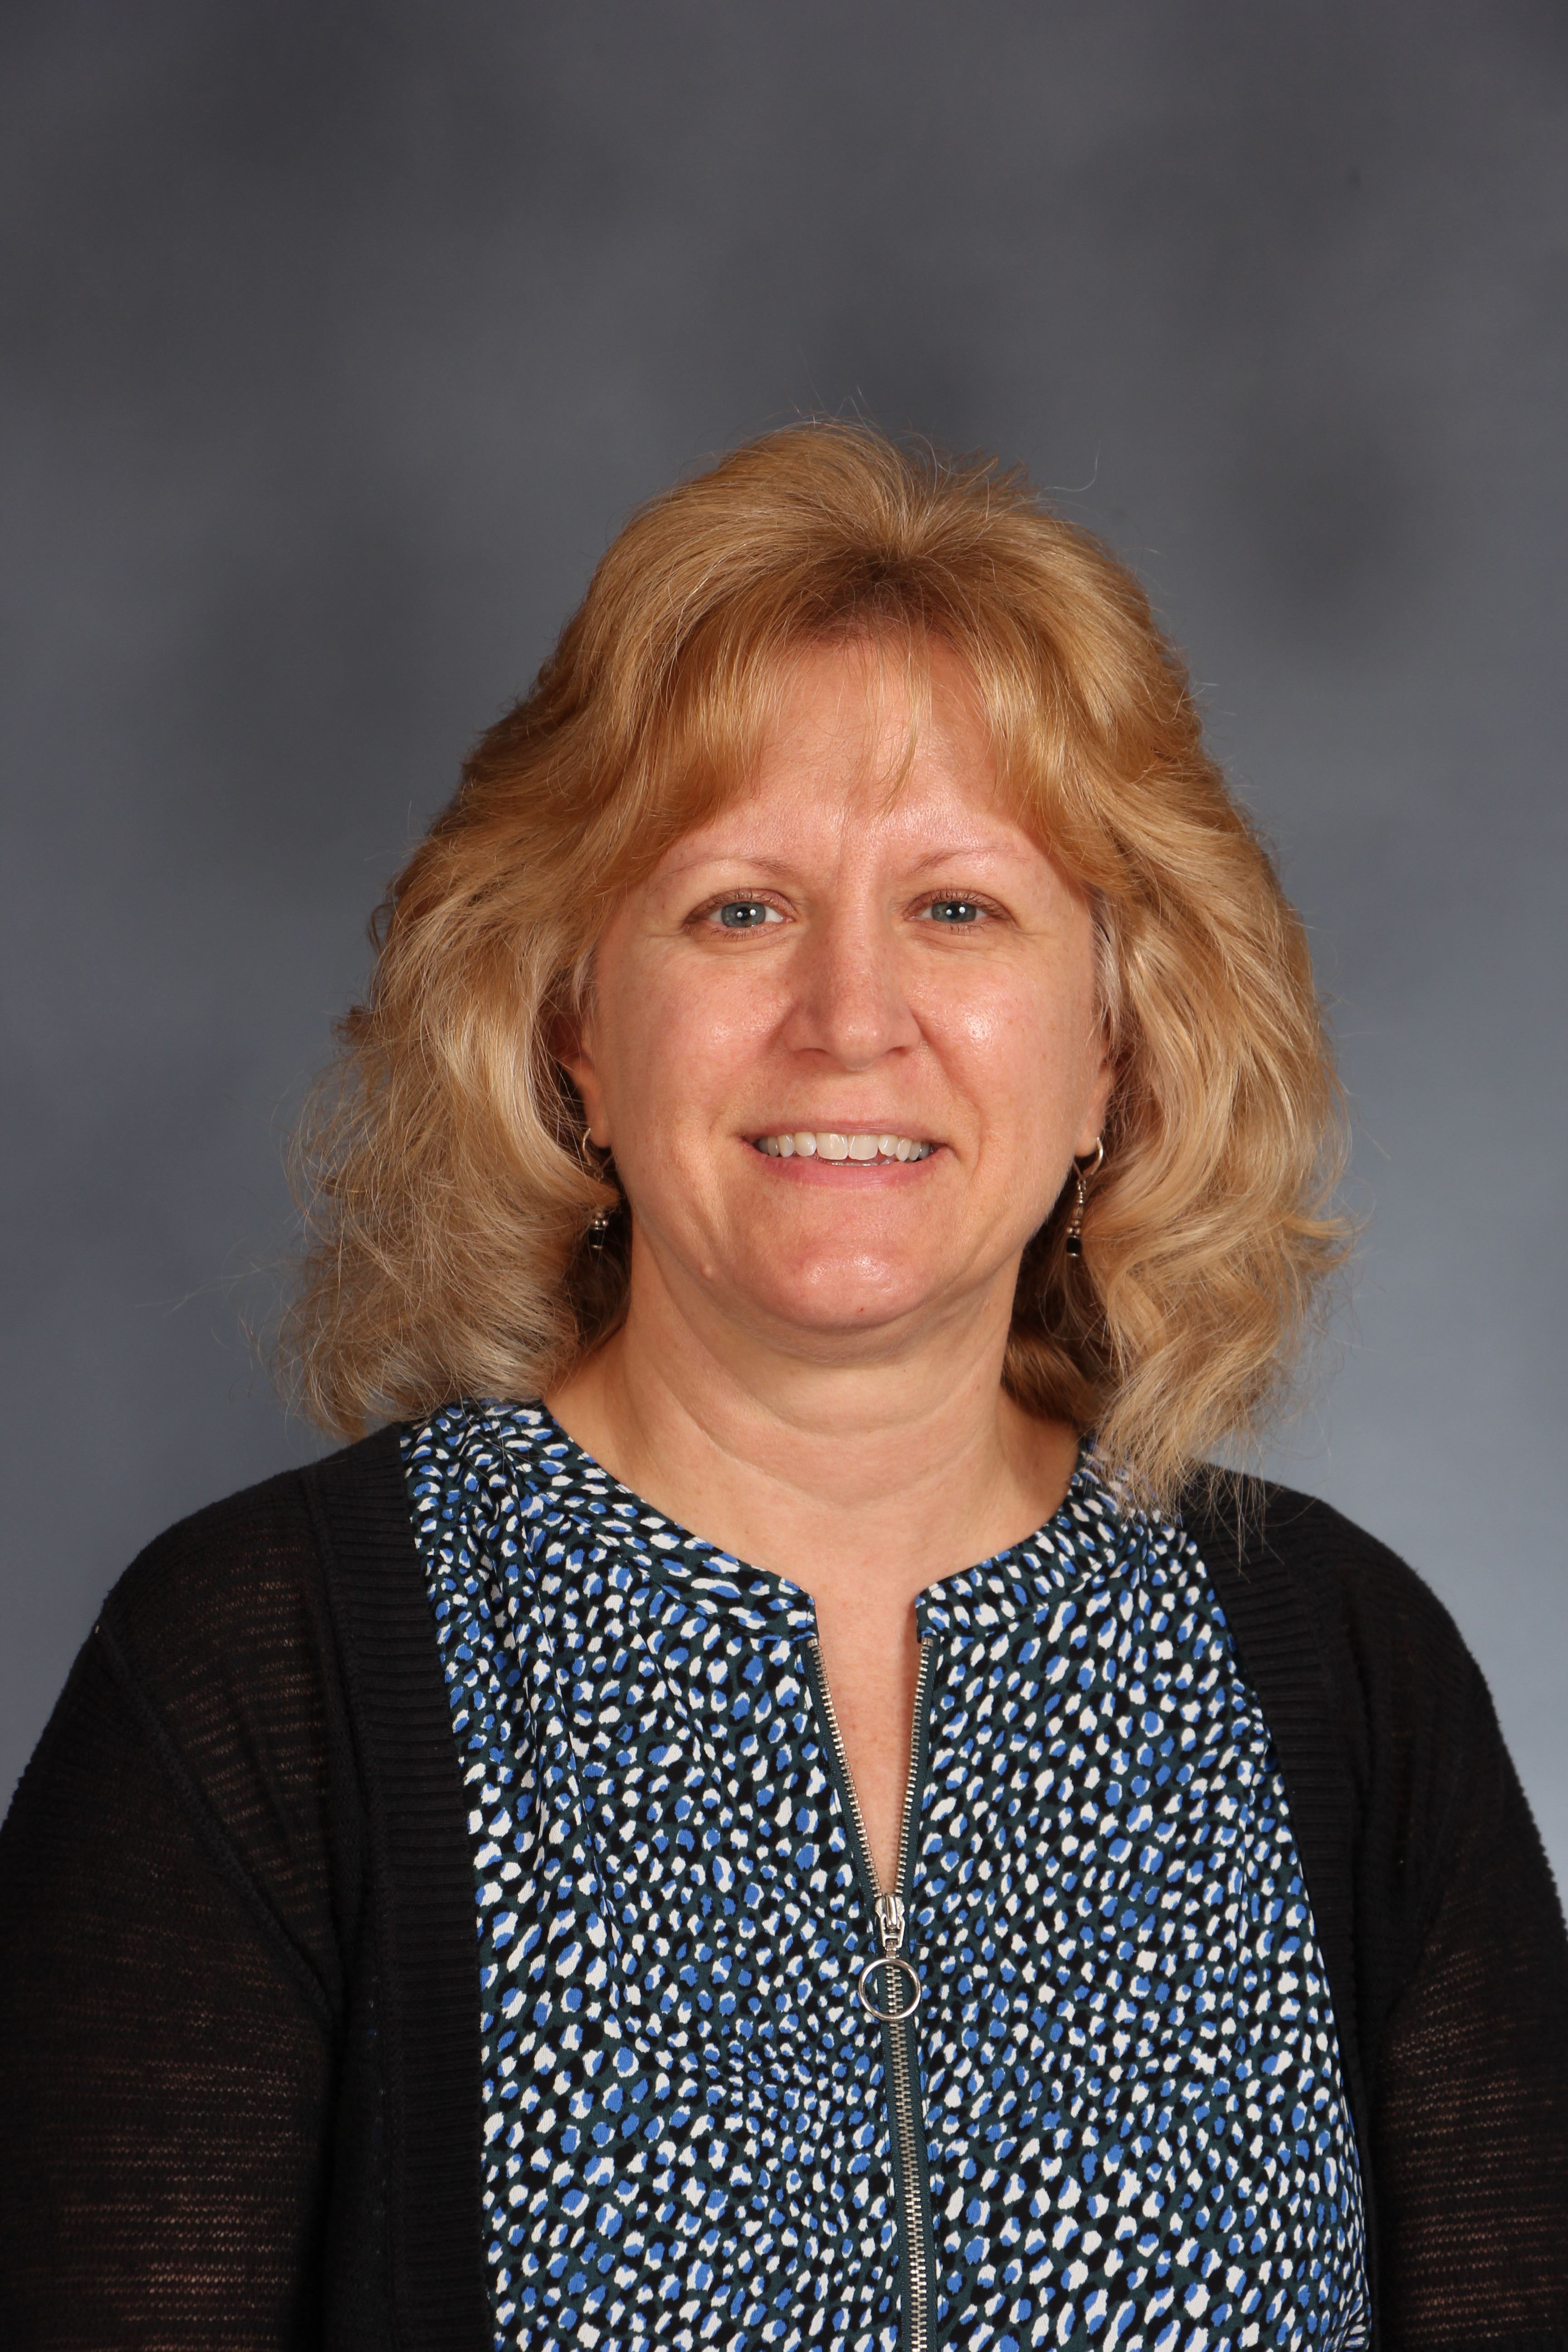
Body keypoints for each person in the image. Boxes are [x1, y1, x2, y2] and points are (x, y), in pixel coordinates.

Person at [2, 423, 1564, 2352]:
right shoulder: (267, 1682)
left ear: (1112, 1054)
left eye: (961, 909)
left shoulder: (1345, 1676)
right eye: (738, 906)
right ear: (570, 1029)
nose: (849, 1018)